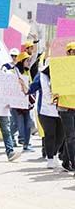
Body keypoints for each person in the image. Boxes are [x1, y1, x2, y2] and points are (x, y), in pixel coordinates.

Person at [24, 59, 64, 169]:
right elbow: (31, 88)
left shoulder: (64, 73)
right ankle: (50, 158)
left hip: (61, 110)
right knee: (50, 134)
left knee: (61, 136)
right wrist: (23, 86)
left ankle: (55, 154)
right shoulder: (41, 76)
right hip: (45, 111)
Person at [54, 41, 75, 172]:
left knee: (72, 136)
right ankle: (73, 162)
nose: (74, 54)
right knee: (71, 136)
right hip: (65, 107)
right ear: (67, 53)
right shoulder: (60, 67)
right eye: (72, 51)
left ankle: (66, 161)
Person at [12, 51, 35, 151]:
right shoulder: (14, 71)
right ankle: (9, 138)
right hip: (17, 103)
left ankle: (26, 144)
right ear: (21, 61)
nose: (29, 62)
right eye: (27, 60)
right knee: (18, 124)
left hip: (26, 102)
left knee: (28, 124)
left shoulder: (27, 71)